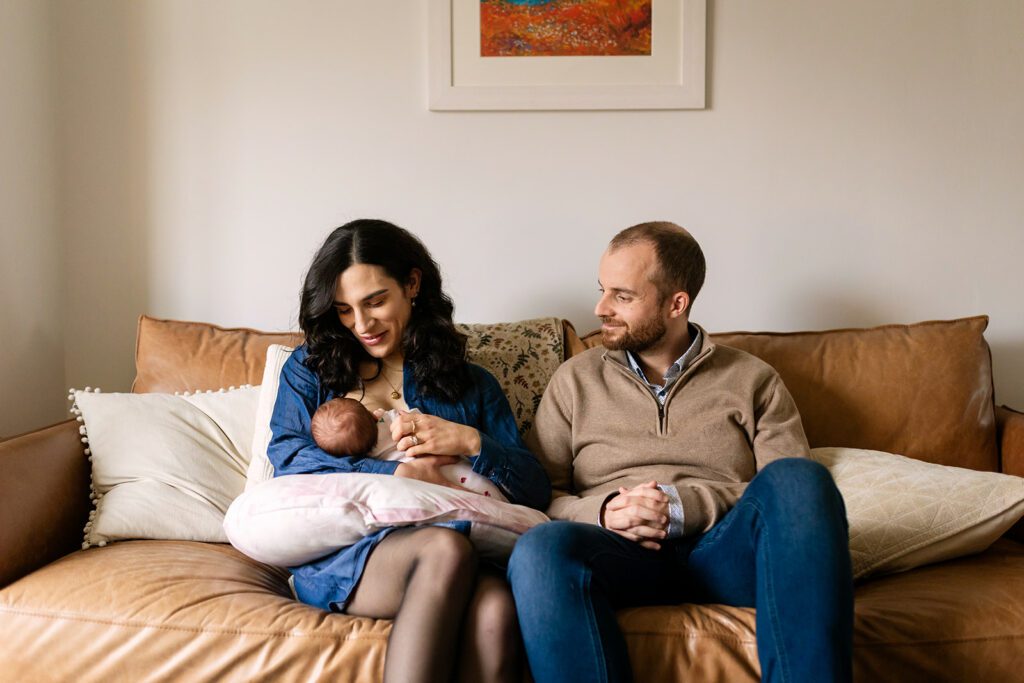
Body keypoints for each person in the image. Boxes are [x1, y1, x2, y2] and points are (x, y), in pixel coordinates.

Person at [507, 221, 853, 683]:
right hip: (618, 555)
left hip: (723, 553)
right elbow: (537, 493)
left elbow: (786, 502)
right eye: (602, 290)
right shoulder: (575, 380)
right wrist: (605, 511)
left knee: (803, 479)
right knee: (539, 547)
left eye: (622, 296)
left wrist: (683, 507)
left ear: (676, 303)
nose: (600, 308)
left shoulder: (753, 379)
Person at [268, 218, 550, 683]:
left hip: (460, 540)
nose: (362, 325)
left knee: (497, 608)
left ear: (412, 284)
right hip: (354, 551)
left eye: (375, 301)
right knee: (444, 549)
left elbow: (535, 490)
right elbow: (289, 460)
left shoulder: (470, 384)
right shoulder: (312, 370)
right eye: (344, 309)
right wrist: (391, 477)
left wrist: (471, 441)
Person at [310, 398, 506, 498]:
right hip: (465, 472)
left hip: (444, 491)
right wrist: (382, 416)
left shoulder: (367, 458)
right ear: (371, 415)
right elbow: (418, 419)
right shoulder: (394, 421)